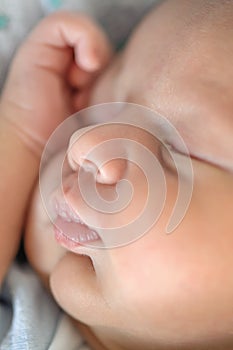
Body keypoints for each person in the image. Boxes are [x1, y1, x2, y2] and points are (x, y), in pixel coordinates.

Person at [1, 0, 233, 349]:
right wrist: (23, 135)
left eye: (177, 151)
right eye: (98, 109)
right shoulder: (20, 303)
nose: (83, 144)